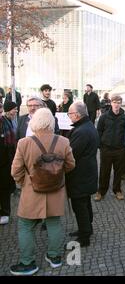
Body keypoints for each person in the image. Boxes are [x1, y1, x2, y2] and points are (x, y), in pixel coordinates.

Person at [9, 108, 75, 275]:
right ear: (52, 122)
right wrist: (56, 175)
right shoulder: (63, 142)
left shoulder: (24, 143)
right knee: (54, 224)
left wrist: (24, 183)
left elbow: (15, 171)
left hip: (32, 192)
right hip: (56, 190)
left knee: (25, 226)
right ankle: (54, 258)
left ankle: (28, 263)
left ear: (34, 122)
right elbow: (70, 165)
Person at [66, 102, 100, 247]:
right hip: (86, 173)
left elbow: (72, 154)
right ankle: (86, 228)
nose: (68, 116)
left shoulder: (81, 131)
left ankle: (84, 236)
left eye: (70, 113)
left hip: (80, 175)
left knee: (80, 205)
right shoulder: (87, 126)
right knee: (85, 202)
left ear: (78, 115)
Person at [95, 95, 125, 201]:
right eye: (114, 102)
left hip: (119, 149)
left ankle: (117, 190)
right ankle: (101, 191)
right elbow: (99, 131)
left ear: (121, 104)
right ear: (111, 103)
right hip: (106, 149)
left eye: (118, 102)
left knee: (118, 172)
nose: (116, 104)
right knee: (104, 171)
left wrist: (124, 146)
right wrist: (100, 145)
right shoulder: (104, 116)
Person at [0, 102, 17, 225]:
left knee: (4, 190)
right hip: (5, 161)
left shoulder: (6, 122)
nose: (15, 112)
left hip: (5, 163)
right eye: (14, 110)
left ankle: (5, 212)